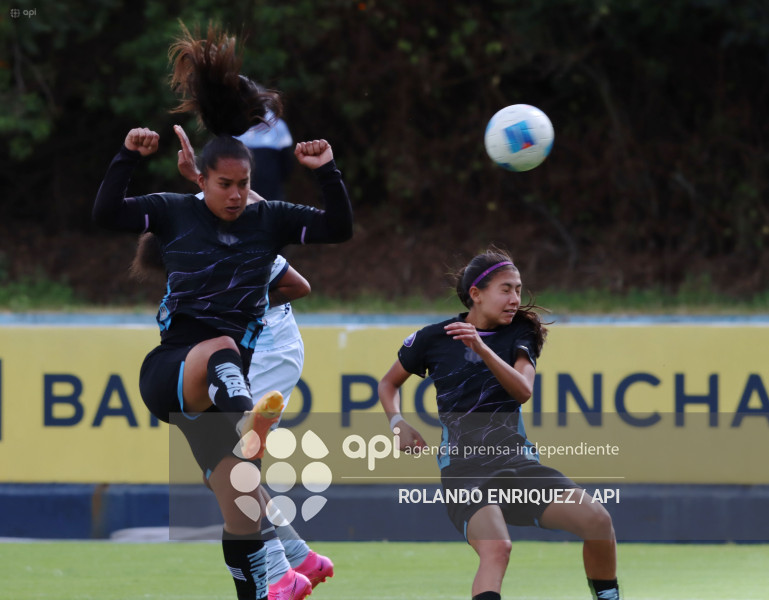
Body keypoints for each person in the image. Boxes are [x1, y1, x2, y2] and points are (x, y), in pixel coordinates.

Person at [93, 24, 351, 600]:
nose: (236, 195)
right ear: (201, 183)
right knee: (220, 350)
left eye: (244, 184)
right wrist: (126, 157)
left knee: (239, 509)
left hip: (213, 387)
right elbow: (107, 212)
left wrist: (327, 172)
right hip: (175, 369)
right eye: (224, 185)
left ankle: (265, 584)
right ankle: (246, 422)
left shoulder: (263, 219)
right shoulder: (176, 213)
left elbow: (338, 229)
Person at [377, 249, 620, 600]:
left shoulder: (520, 332)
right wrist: (397, 422)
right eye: (506, 289)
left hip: (516, 465)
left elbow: (522, 390)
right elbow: (388, 383)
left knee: (598, 521)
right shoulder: (433, 339)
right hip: (464, 470)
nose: (515, 299)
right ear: (476, 294)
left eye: (519, 290)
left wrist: (481, 347)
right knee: (498, 549)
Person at [236, 107, 294, 201]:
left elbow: (287, 163)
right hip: (243, 195)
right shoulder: (234, 127)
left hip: (271, 192)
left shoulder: (279, 126)